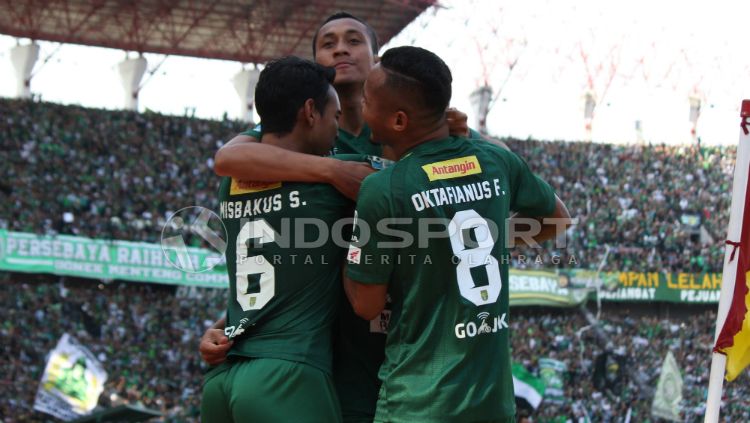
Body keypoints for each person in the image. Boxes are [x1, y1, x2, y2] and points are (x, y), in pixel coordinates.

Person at [200, 12, 477, 423]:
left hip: (391, 344)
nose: (340, 49)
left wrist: (452, 130)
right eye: (327, 43)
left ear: (378, 59)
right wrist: (233, 324)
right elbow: (228, 159)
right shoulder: (297, 139)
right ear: (312, 108)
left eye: (353, 40)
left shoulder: (410, 129)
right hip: (313, 356)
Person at [343, 46, 571, 422]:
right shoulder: (495, 159)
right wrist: (494, 238)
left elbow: (366, 304)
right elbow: (557, 219)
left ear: (398, 121)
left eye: (367, 101)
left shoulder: (384, 189)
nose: (361, 108)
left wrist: (349, 249)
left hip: (418, 404)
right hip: (493, 403)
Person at [200, 56, 365, 422]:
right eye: (334, 116)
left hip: (223, 377)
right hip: (287, 375)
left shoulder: (233, 181)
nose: (338, 127)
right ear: (310, 112)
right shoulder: (333, 185)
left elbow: (232, 154)